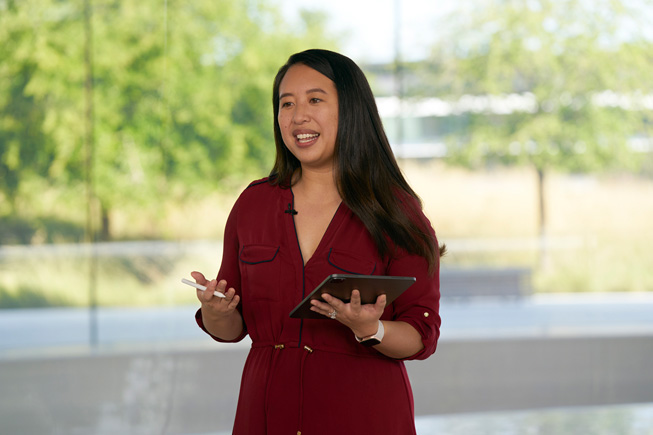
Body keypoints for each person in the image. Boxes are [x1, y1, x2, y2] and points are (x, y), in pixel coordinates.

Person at [190, 49, 444, 435]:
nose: (297, 116)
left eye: (315, 100)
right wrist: (217, 312)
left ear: (351, 110)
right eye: (286, 103)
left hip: (364, 417)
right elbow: (231, 328)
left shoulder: (396, 211)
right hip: (265, 415)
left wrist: (370, 329)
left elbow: (421, 335)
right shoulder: (254, 204)